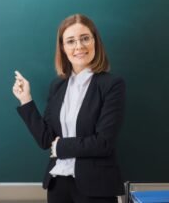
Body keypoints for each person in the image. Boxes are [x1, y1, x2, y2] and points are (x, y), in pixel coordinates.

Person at [12, 14, 126, 203]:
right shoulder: (57, 86)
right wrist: (26, 100)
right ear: (63, 49)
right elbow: (46, 140)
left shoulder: (112, 84)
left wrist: (60, 147)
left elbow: (104, 143)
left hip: (96, 188)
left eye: (85, 38)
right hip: (58, 186)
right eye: (71, 41)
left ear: (95, 42)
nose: (79, 46)